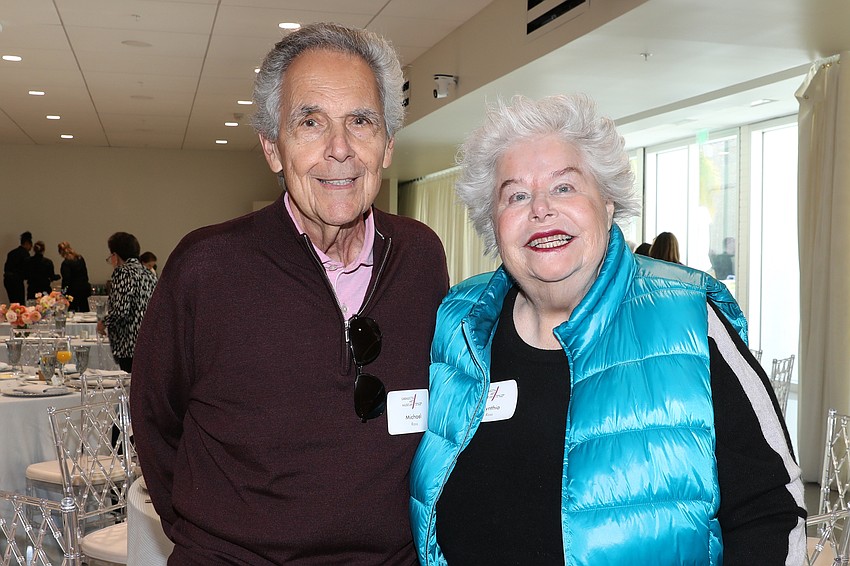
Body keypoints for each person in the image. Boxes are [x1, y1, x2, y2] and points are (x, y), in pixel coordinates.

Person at [409, 94, 806, 565]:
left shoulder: (690, 319)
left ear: (607, 201)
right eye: (515, 195)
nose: (540, 209)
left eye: (564, 187)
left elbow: (772, 513)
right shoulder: (459, 324)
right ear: (492, 224)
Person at [131, 22, 449, 565]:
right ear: (273, 148)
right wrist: (211, 542)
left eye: (361, 121)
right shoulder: (207, 268)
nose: (340, 149)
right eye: (310, 122)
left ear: (387, 144)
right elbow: (156, 422)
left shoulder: (420, 257)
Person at [98, 232, 157, 373]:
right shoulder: (149, 274)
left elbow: (120, 310)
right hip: (150, 341)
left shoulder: (123, 272)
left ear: (115, 256)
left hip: (129, 343)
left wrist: (103, 323)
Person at [57, 241, 92, 312]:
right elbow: (85, 274)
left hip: (72, 293)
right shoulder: (80, 258)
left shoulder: (66, 263)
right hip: (84, 290)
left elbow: (66, 281)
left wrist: (63, 293)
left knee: (71, 312)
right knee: (84, 310)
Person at [3, 231, 32, 304]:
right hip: (17, 281)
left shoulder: (11, 253)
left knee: (13, 302)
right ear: (27, 244)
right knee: (20, 303)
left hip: (7, 280)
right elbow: (26, 270)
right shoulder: (25, 254)